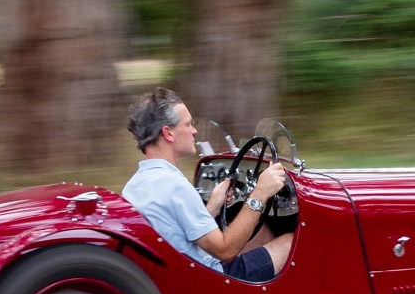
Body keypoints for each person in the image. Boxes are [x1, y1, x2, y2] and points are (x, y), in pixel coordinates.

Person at [122, 88, 292, 283]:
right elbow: (225, 251)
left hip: (171, 276)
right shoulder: (175, 185)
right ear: (168, 133)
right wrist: (260, 193)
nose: (194, 131)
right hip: (210, 279)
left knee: (263, 232)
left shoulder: (133, 186)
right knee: (291, 242)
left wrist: (211, 207)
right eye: (188, 124)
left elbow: (177, 231)